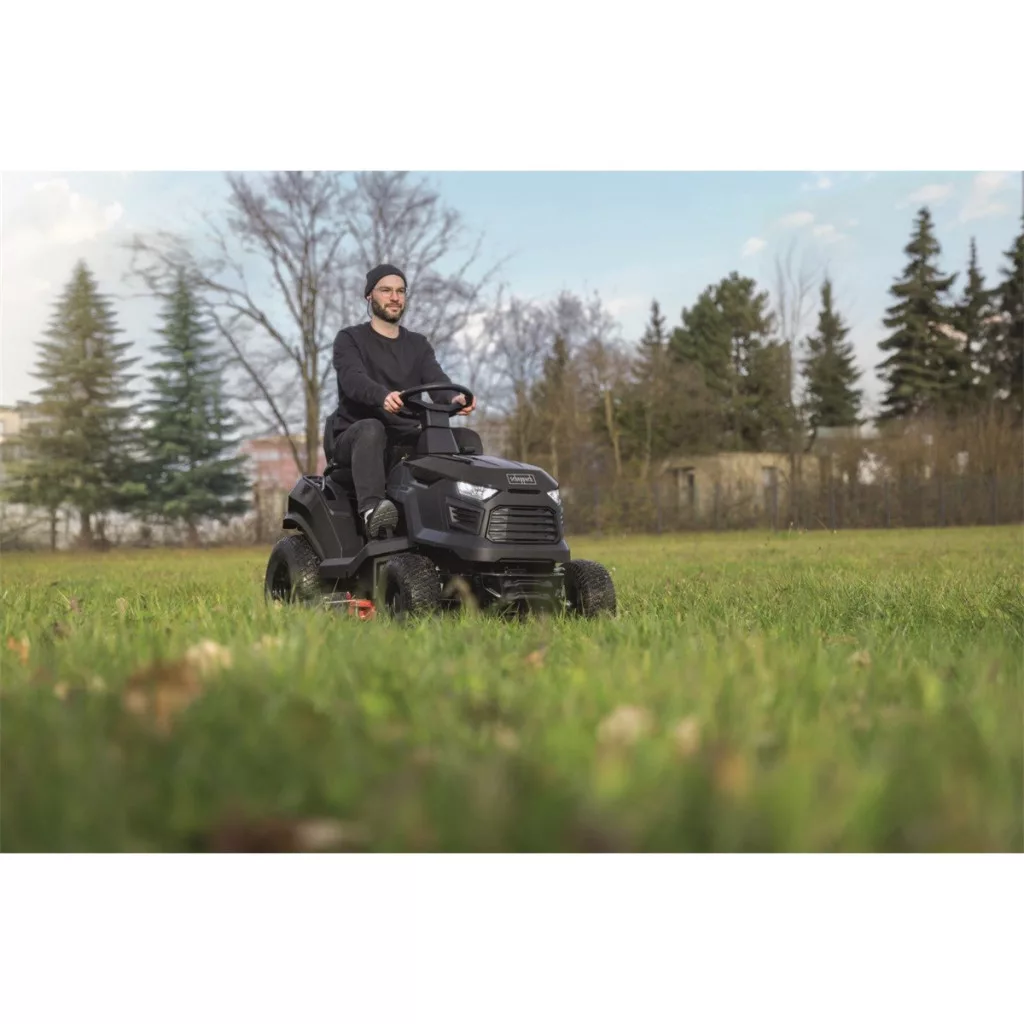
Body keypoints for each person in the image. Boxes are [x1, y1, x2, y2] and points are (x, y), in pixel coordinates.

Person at [324, 263, 482, 538]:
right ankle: (373, 513)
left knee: (466, 439)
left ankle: (468, 515)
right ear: (369, 296)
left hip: (406, 437)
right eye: (386, 290)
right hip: (357, 438)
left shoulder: (418, 344)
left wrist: (455, 398)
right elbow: (352, 379)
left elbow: (436, 378)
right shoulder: (350, 339)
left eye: (400, 291)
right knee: (372, 428)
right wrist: (382, 396)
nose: (395, 297)